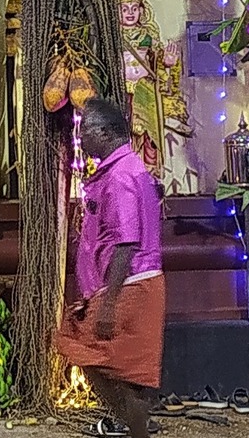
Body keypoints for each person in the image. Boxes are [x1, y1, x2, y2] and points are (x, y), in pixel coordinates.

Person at [54, 97, 164, 438]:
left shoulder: (121, 176)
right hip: (122, 284)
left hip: (130, 284)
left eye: (84, 130)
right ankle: (134, 427)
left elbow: (127, 241)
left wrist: (110, 302)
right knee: (115, 368)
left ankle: (136, 430)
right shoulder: (122, 170)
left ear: (103, 132)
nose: (81, 138)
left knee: (94, 357)